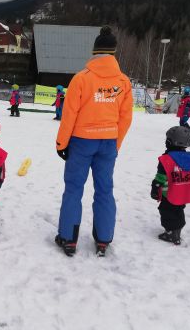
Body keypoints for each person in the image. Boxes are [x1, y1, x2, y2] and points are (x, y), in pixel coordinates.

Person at [55, 26, 133, 257]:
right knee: (105, 190)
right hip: (108, 141)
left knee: (73, 189)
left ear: (94, 52)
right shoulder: (124, 82)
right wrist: (115, 143)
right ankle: (103, 239)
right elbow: (125, 118)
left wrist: (62, 143)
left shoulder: (81, 79)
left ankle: (69, 238)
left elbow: (69, 115)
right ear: (113, 54)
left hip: (81, 141)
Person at [151, 126, 190, 245]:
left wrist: (155, 187)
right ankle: (177, 230)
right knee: (178, 210)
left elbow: (161, 177)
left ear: (170, 142)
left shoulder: (166, 159)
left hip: (170, 193)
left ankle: (171, 233)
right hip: (184, 193)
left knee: (166, 210)